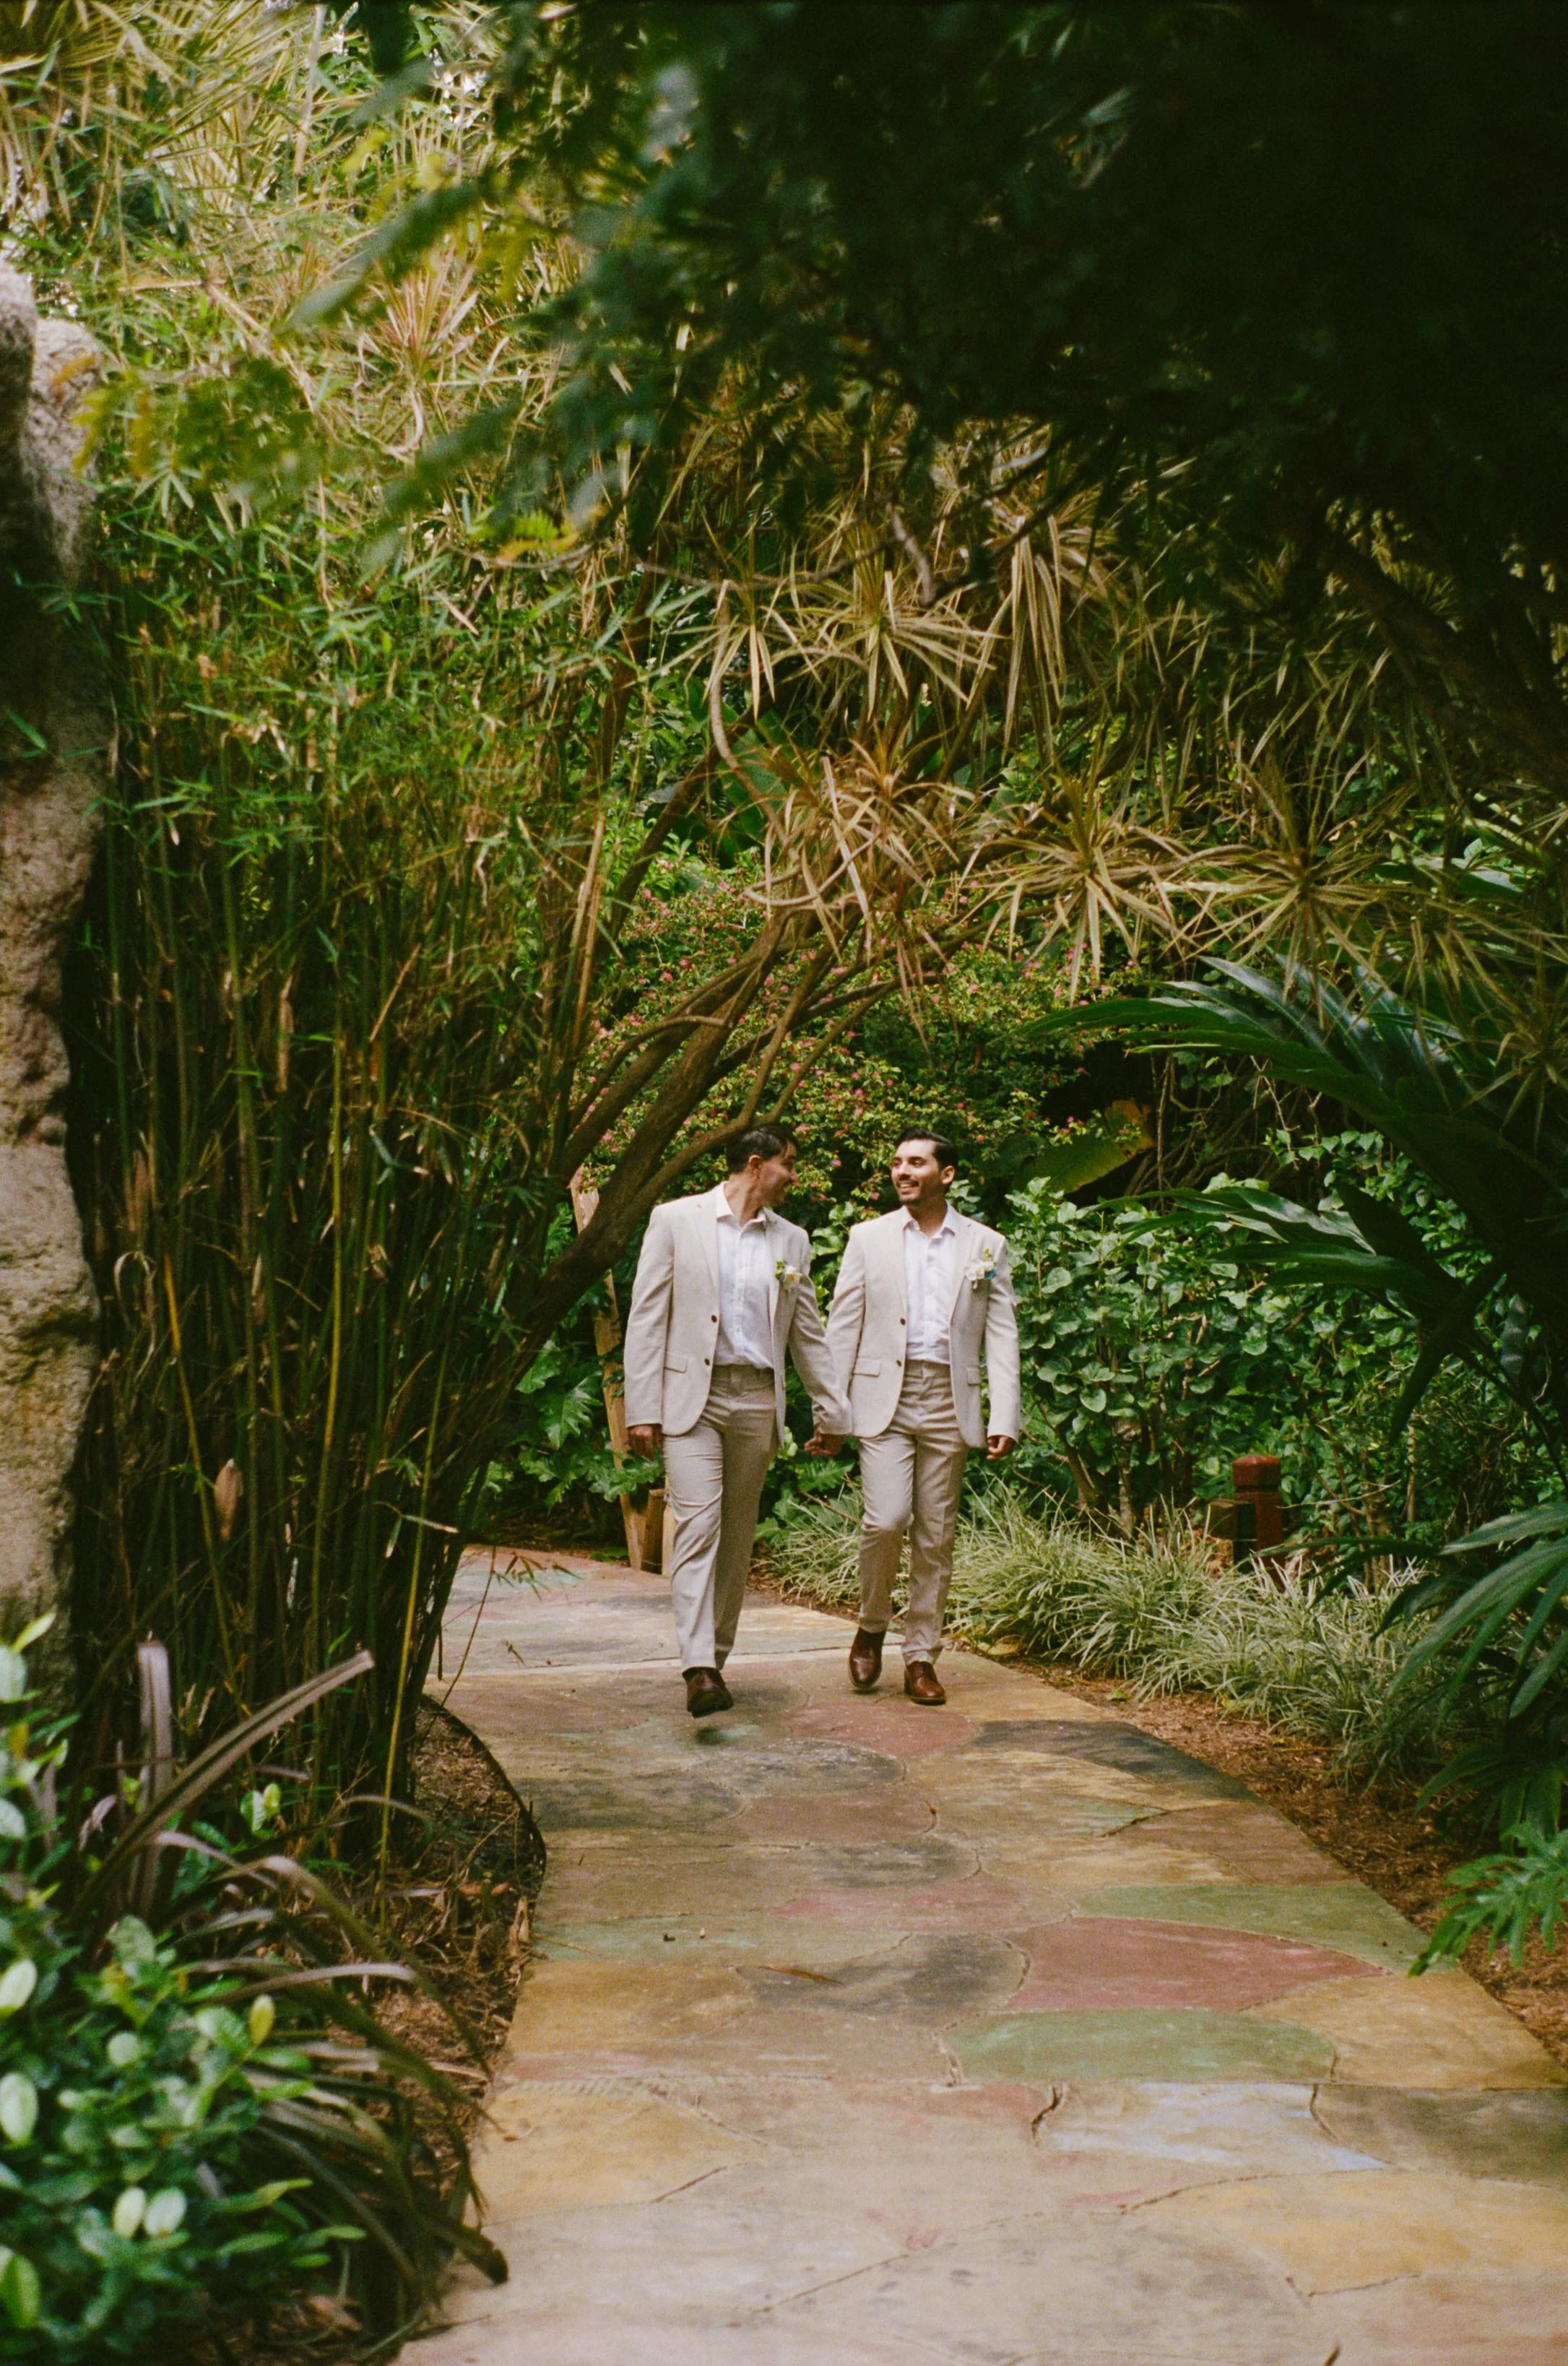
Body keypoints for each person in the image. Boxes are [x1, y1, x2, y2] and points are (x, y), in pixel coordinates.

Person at [625, 1126, 851, 1718]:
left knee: (736, 1533)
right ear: (756, 1164)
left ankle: (714, 1660)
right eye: (788, 1164)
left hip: (755, 1399)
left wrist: (831, 1410)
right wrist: (642, 1408)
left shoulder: (791, 1239)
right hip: (691, 1398)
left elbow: (807, 1332)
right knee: (697, 1524)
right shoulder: (675, 1220)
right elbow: (647, 1316)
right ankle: (697, 1666)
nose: (793, 1176)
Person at [826, 1130, 1020, 1705]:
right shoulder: (867, 1238)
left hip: (949, 1398)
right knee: (885, 1520)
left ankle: (920, 1655)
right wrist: (830, 1409)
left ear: (947, 1174)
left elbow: (1001, 1333)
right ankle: (871, 1624)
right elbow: (843, 1324)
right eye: (896, 1162)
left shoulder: (985, 1244)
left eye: (916, 1162)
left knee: (936, 1534)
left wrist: (1003, 1415)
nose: (902, 1171)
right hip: (881, 1395)